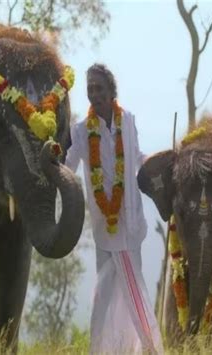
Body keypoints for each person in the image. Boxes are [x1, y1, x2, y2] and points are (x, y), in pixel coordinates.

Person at [65, 63, 163, 354]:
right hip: (104, 228)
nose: (94, 93)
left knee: (130, 292)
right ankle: (109, 349)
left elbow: (135, 157)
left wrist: (162, 162)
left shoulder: (128, 121)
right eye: (90, 88)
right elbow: (68, 166)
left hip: (130, 225)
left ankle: (147, 349)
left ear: (111, 91)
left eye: (99, 88)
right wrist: (49, 164)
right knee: (107, 295)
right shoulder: (81, 132)